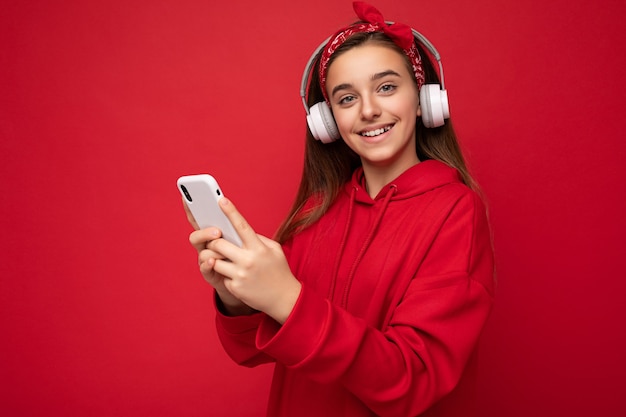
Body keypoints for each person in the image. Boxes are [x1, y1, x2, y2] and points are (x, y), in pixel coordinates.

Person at [184, 2, 495, 416]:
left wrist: (286, 297)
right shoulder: (316, 211)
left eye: (386, 87)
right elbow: (249, 350)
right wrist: (236, 296)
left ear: (424, 100)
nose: (368, 110)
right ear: (326, 121)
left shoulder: (456, 211)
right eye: (346, 98)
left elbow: (412, 380)